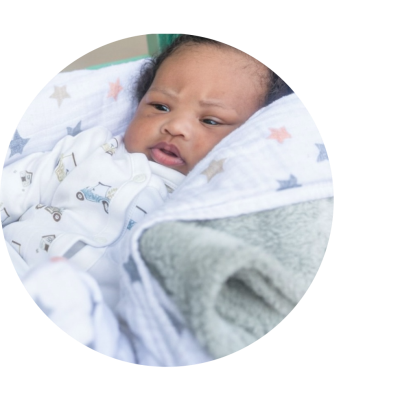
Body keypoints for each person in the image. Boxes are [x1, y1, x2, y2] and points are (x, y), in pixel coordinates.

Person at [0, 34, 275, 270]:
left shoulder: (215, 198)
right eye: (160, 106)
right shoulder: (93, 147)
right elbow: (16, 186)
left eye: (210, 121)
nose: (175, 126)